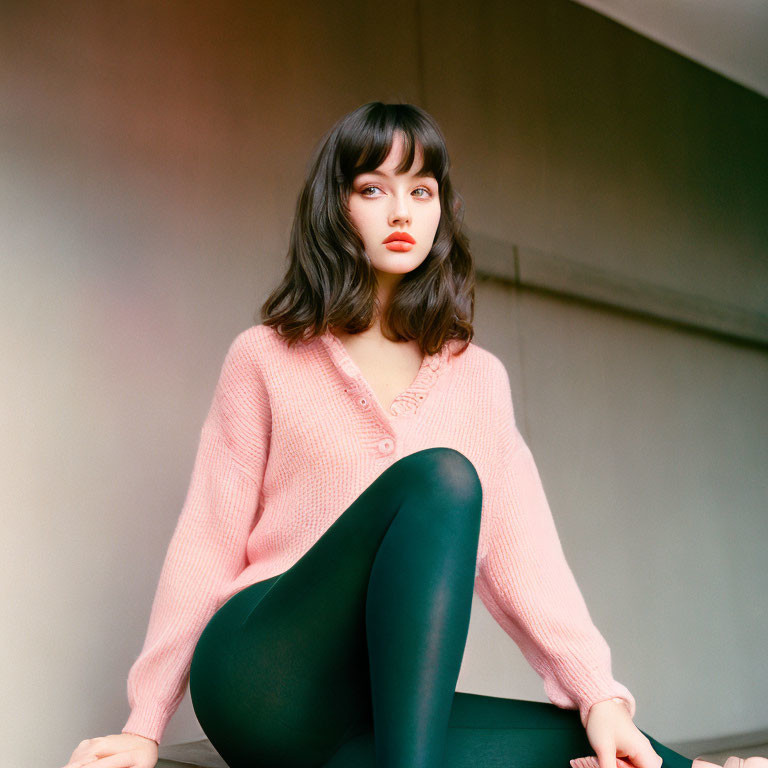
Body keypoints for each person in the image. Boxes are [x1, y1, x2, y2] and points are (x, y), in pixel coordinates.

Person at [60, 103, 767, 768]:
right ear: (335, 207)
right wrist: (143, 724)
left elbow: (526, 555)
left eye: (421, 191)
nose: (402, 211)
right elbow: (208, 537)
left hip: (379, 717)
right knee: (444, 478)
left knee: (589, 738)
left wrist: (602, 695)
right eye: (374, 189)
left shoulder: (478, 379)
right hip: (261, 673)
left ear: (441, 211)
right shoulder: (267, 356)